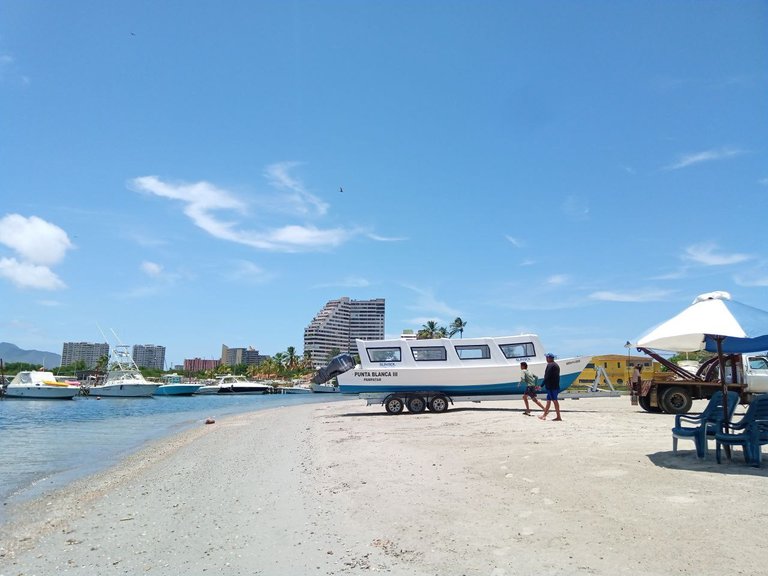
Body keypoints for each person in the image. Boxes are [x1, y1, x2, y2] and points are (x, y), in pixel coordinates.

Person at [539, 353, 562, 421]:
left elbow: (547, 377)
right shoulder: (556, 365)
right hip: (555, 386)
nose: (546, 359)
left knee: (555, 401)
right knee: (548, 401)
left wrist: (541, 385)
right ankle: (544, 415)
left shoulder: (550, 365)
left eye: (547, 357)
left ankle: (558, 417)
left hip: (552, 387)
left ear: (549, 358)